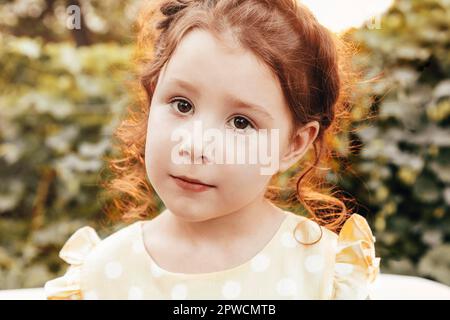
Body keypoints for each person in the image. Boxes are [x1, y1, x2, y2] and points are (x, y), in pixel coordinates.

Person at [44, 0, 380, 300]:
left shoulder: (321, 272)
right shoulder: (103, 275)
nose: (194, 146)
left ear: (293, 145)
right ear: (151, 99)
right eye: (182, 104)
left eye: (240, 123)